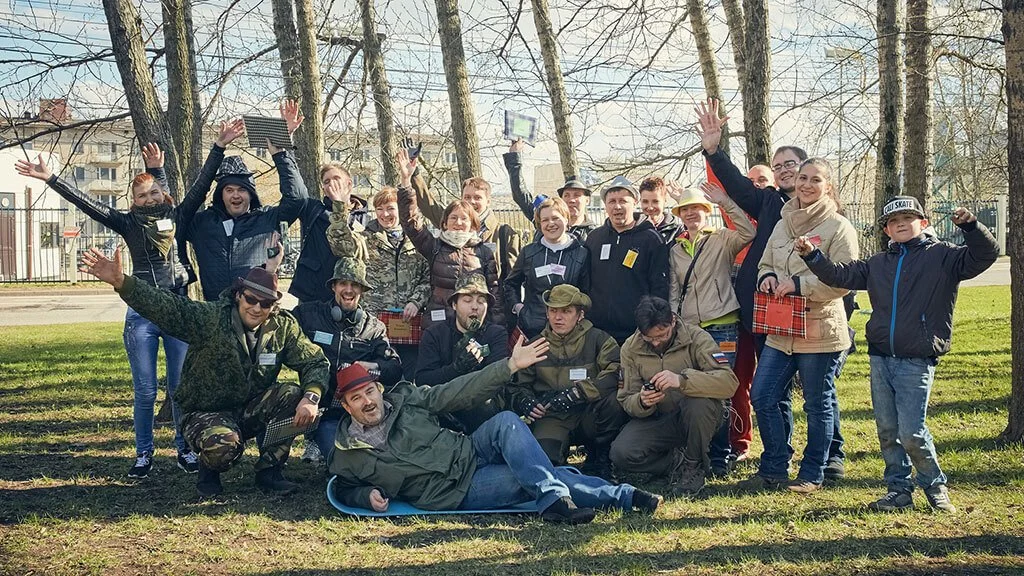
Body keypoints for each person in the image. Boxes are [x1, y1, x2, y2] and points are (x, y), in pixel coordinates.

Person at [13, 133, 250, 477]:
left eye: (154, 192)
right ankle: (143, 454)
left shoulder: (178, 217)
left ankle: (184, 450)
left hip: (179, 309)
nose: (149, 198)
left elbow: (200, 186)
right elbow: (87, 203)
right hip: (142, 312)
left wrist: (218, 147)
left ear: (162, 193)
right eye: (142, 195)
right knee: (145, 390)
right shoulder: (127, 223)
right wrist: (50, 178)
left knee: (179, 389)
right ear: (134, 201)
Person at [798, 197, 998, 512]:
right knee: (888, 432)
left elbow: (985, 255)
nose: (900, 224)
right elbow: (839, 275)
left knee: (912, 432)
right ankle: (898, 490)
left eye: (908, 218)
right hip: (881, 358)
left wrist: (971, 227)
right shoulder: (878, 263)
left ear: (924, 223)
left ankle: (934, 486)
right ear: (886, 231)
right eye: (893, 221)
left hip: (916, 358)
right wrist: (813, 255)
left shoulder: (944, 256)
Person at [327, 338, 664, 523]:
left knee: (506, 421)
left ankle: (554, 499)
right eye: (357, 399)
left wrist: (510, 366)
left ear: (379, 390)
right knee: (529, 476)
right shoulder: (346, 452)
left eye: (369, 392)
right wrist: (364, 497)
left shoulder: (407, 399)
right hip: (455, 489)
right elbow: (344, 489)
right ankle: (624, 496)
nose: (367, 402)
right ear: (347, 407)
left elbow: (459, 390)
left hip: (469, 450)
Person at [80, 250, 330, 497]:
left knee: (292, 394)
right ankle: (209, 471)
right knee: (224, 447)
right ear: (238, 295)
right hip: (204, 412)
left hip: (248, 409)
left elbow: (315, 361)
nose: (256, 308)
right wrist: (122, 282)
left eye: (265, 303)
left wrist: (311, 397)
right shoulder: (211, 318)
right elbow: (167, 307)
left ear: (273, 305)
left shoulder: (283, 327)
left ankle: (270, 472)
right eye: (251, 299)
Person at [696, 97, 846, 479]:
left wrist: (800, 286)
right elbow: (736, 185)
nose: (785, 171)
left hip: (815, 321)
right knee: (769, 393)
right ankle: (778, 460)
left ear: (810, 171)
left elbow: (842, 275)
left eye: (791, 165)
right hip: (770, 317)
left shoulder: (834, 220)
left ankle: (830, 457)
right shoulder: (771, 207)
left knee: (819, 395)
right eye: (777, 167)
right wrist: (714, 151)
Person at [738, 158, 858, 494]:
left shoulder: (838, 227)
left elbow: (845, 280)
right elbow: (764, 262)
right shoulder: (782, 223)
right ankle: (775, 467)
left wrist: (799, 285)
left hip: (820, 331)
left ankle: (813, 472)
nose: (806, 185)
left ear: (827, 186)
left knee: (817, 404)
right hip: (781, 329)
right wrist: (767, 277)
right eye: (803, 178)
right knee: (762, 395)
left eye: (815, 180)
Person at [667, 183, 755, 477]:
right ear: (680, 215)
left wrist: (725, 202)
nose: (691, 213)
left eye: (696, 208)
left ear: (706, 211)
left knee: (721, 390)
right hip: (690, 329)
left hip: (722, 325)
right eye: (685, 209)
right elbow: (674, 290)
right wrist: (675, 323)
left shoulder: (722, 239)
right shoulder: (676, 250)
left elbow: (748, 232)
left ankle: (721, 454)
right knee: (693, 389)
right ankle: (696, 451)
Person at [611, 296, 739, 495]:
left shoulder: (696, 337)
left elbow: (728, 382)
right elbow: (626, 398)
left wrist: (682, 381)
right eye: (649, 338)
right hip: (659, 419)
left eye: (662, 335)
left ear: (672, 321)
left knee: (698, 404)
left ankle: (694, 465)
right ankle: (677, 462)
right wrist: (642, 401)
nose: (656, 342)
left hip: (700, 416)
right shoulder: (630, 347)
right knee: (621, 452)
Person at [178, 101, 305, 301]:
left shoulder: (267, 219)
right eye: (229, 190)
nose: (235, 195)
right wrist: (218, 148)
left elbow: (297, 198)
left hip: (255, 311)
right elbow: (189, 205)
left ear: (251, 194)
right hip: (215, 312)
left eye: (241, 190)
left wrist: (281, 152)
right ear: (221, 195)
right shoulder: (202, 224)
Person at [508, 285, 627, 479]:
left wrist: (579, 393)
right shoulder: (535, 345)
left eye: (566, 311)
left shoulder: (599, 339)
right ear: (547, 313)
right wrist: (525, 401)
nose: (558, 317)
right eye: (553, 311)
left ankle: (600, 459)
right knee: (545, 465)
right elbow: (517, 386)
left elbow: (615, 373)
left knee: (613, 402)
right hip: (552, 416)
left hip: (588, 412)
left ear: (580, 315)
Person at [292, 257, 402, 460]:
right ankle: (313, 439)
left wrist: (372, 366)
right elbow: (281, 326)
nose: (349, 290)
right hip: (316, 405)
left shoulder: (373, 328)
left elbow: (394, 369)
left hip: (354, 413)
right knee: (338, 457)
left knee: (359, 458)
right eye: (343, 283)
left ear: (362, 290)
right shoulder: (309, 315)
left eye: (355, 285)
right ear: (333, 287)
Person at [325, 188, 431, 379]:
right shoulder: (366, 238)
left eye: (390, 208)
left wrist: (416, 301)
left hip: (408, 325)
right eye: (379, 209)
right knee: (375, 377)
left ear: (400, 209)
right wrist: (340, 208)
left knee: (409, 379)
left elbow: (428, 277)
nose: (384, 214)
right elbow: (340, 244)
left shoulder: (417, 240)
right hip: (374, 326)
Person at [396, 151, 503, 332]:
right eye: (453, 218)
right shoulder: (434, 246)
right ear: (444, 223)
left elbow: (494, 293)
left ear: (473, 225)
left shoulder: (483, 252)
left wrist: (497, 330)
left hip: (472, 326)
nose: (458, 223)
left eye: (464, 219)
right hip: (437, 326)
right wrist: (406, 182)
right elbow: (411, 222)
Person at [416, 274, 509, 432]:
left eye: (481, 301)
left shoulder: (496, 334)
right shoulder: (434, 334)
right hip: (442, 410)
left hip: (481, 410)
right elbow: (423, 380)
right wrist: (457, 368)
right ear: (454, 304)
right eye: (467, 300)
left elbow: (498, 380)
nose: (475, 307)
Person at [584, 176, 669, 344]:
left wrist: (653, 323)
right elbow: (586, 282)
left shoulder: (652, 239)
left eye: (623, 201)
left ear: (635, 202)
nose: (617, 206)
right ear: (605, 206)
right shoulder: (594, 238)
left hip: (637, 332)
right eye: (612, 201)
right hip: (598, 331)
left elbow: (660, 286)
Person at [414, 157, 520, 282]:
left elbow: (513, 278)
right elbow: (427, 203)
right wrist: (414, 173)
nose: (471, 202)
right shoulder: (452, 222)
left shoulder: (504, 233)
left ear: (488, 201)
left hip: (489, 293)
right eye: (467, 197)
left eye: (477, 197)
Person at [504, 197, 591, 339]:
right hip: (533, 329)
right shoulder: (528, 252)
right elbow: (510, 284)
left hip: (570, 332)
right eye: (545, 220)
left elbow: (586, 292)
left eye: (555, 218)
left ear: (566, 219)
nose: (551, 223)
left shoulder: (582, 254)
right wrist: (519, 308)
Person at [289, 160, 368, 305]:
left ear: (349, 184)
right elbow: (294, 191)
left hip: (349, 294)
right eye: (326, 181)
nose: (331, 184)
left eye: (336, 178)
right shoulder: (314, 210)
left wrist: (340, 204)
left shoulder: (364, 217)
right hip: (315, 294)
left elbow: (350, 251)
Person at [504, 138, 599, 241]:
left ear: (587, 200)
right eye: (566, 195)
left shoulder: (594, 235)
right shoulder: (545, 220)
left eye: (577, 195)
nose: (571, 200)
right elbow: (520, 194)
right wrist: (514, 157)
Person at [638, 177, 683, 245]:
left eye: (655, 201)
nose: (650, 207)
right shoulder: (633, 230)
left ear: (665, 200)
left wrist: (683, 201)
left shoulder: (677, 232)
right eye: (645, 202)